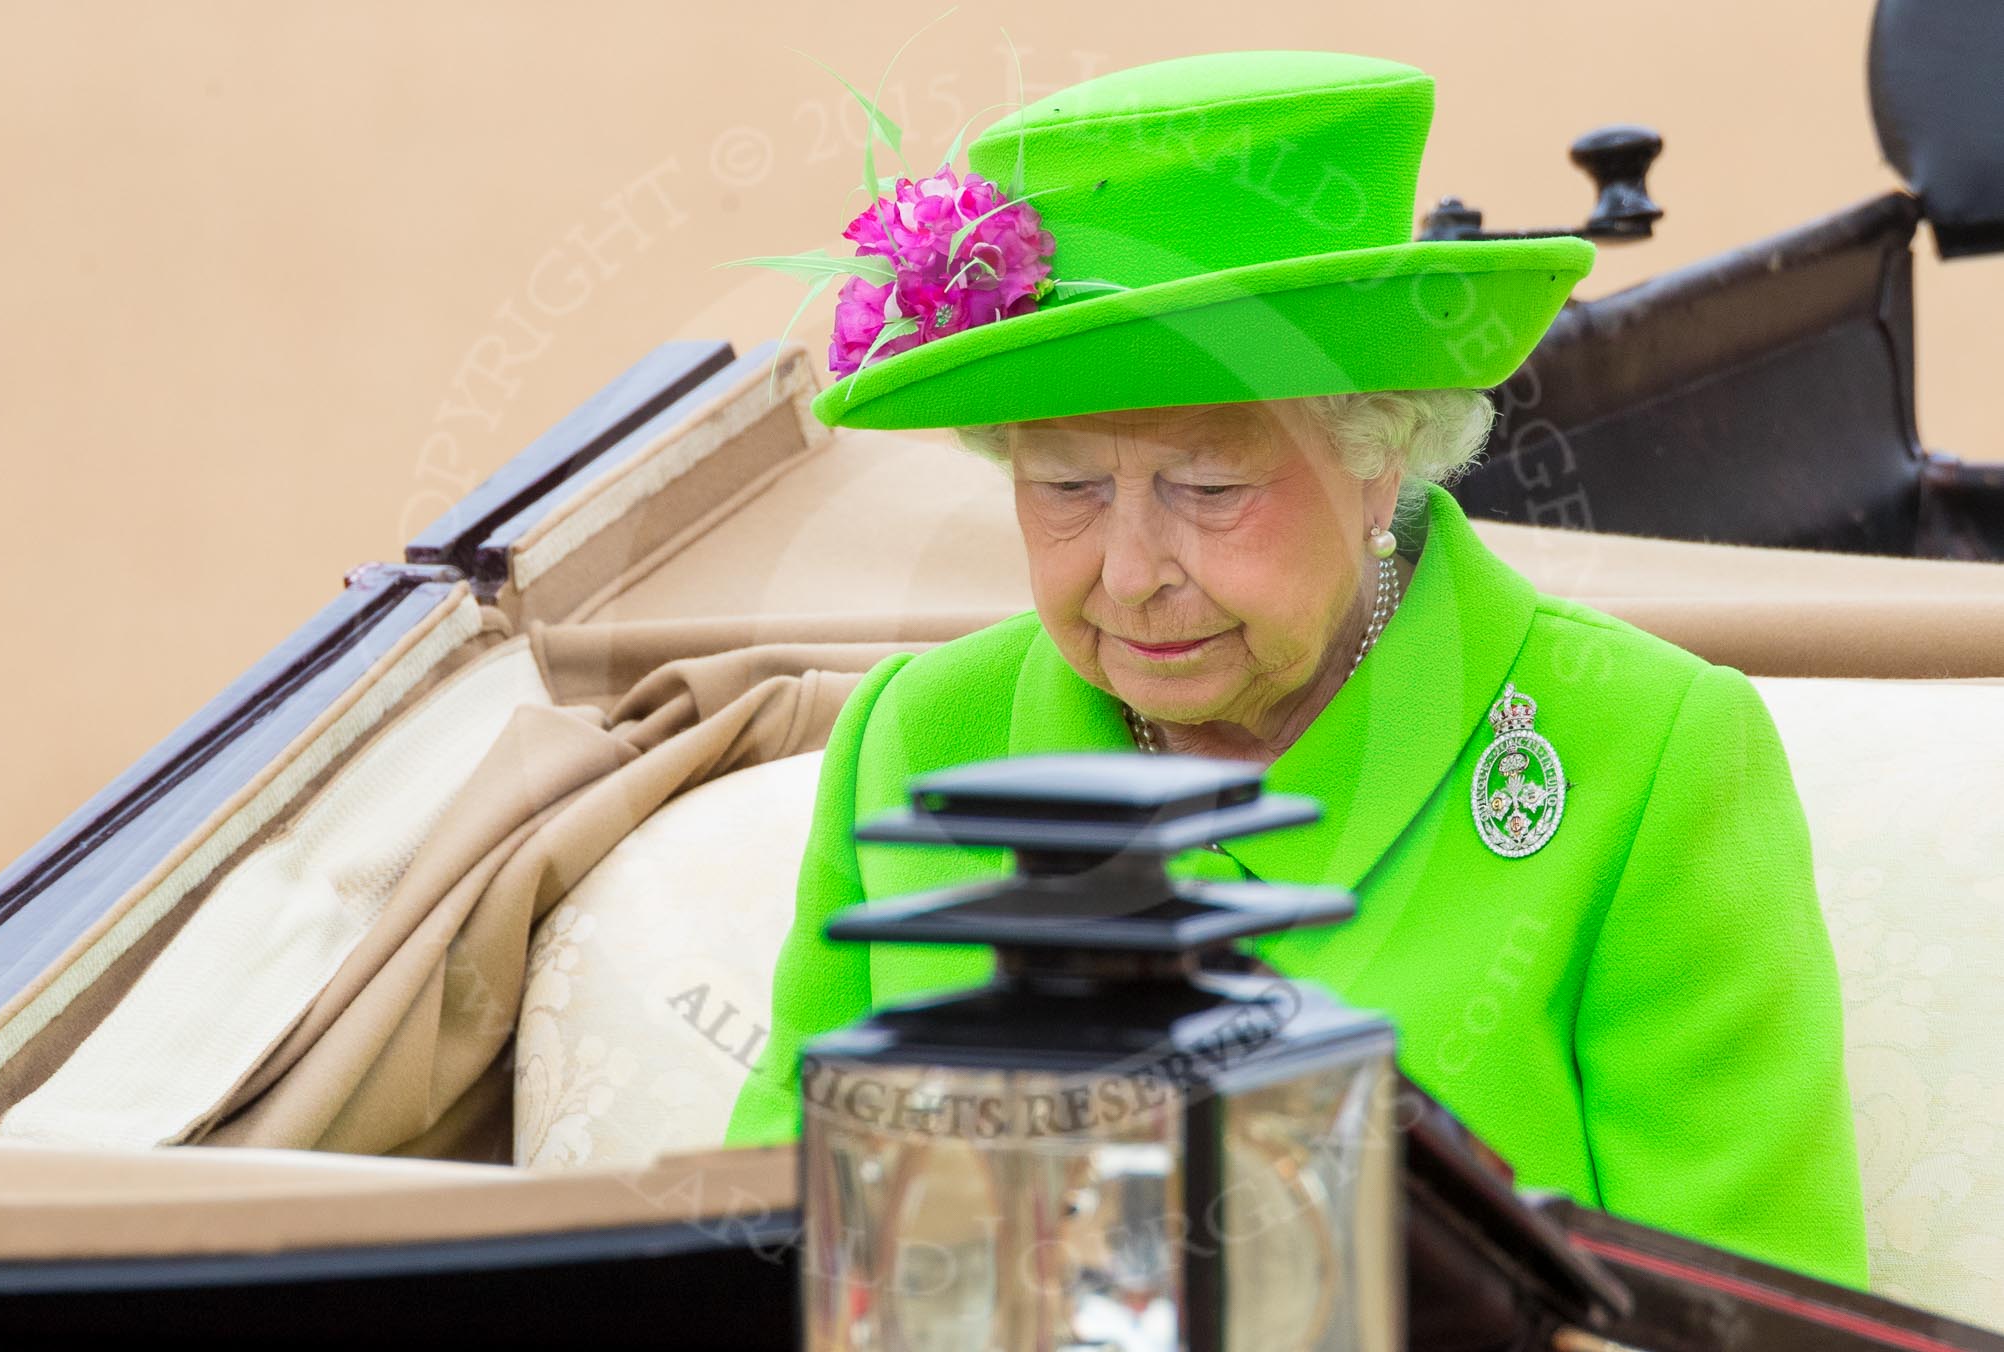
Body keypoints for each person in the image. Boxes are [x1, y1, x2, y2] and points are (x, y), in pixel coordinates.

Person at [722, 49, 1868, 1289]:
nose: (1127, 570)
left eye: (1208, 488)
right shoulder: (919, 738)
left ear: (1382, 456)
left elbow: (1748, 1310)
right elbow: (767, 1253)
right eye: (1064, 487)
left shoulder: (1643, 752)